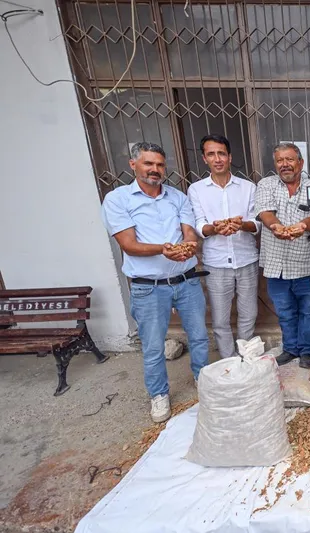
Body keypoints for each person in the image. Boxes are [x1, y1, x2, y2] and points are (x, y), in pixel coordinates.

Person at [102, 142, 209, 423]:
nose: (155, 170)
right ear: (133, 164)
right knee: (152, 346)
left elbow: (188, 233)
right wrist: (164, 248)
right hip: (148, 286)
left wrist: (188, 245)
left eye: (160, 165)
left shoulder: (177, 197)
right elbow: (129, 245)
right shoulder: (118, 199)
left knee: (198, 335)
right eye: (148, 164)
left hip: (186, 281)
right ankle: (159, 395)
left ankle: (203, 380)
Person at [187, 134, 260, 359]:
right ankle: (229, 362)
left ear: (229, 157)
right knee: (220, 319)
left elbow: (257, 222)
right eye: (211, 154)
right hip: (216, 262)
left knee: (249, 314)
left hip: (246, 258)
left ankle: (245, 358)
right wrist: (214, 228)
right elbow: (199, 224)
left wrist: (240, 224)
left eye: (221, 153)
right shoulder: (196, 190)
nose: (217, 159)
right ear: (204, 158)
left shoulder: (247, 187)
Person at [255, 143, 310, 369]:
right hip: (276, 263)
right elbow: (265, 212)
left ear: (300, 163)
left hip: (305, 261)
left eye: (289, 159)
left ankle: (306, 351)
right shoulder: (266, 184)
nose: (285, 164)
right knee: (284, 312)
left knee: (308, 312)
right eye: (280, 160)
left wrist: (302, 225)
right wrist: (277, 228)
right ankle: (290, 349)